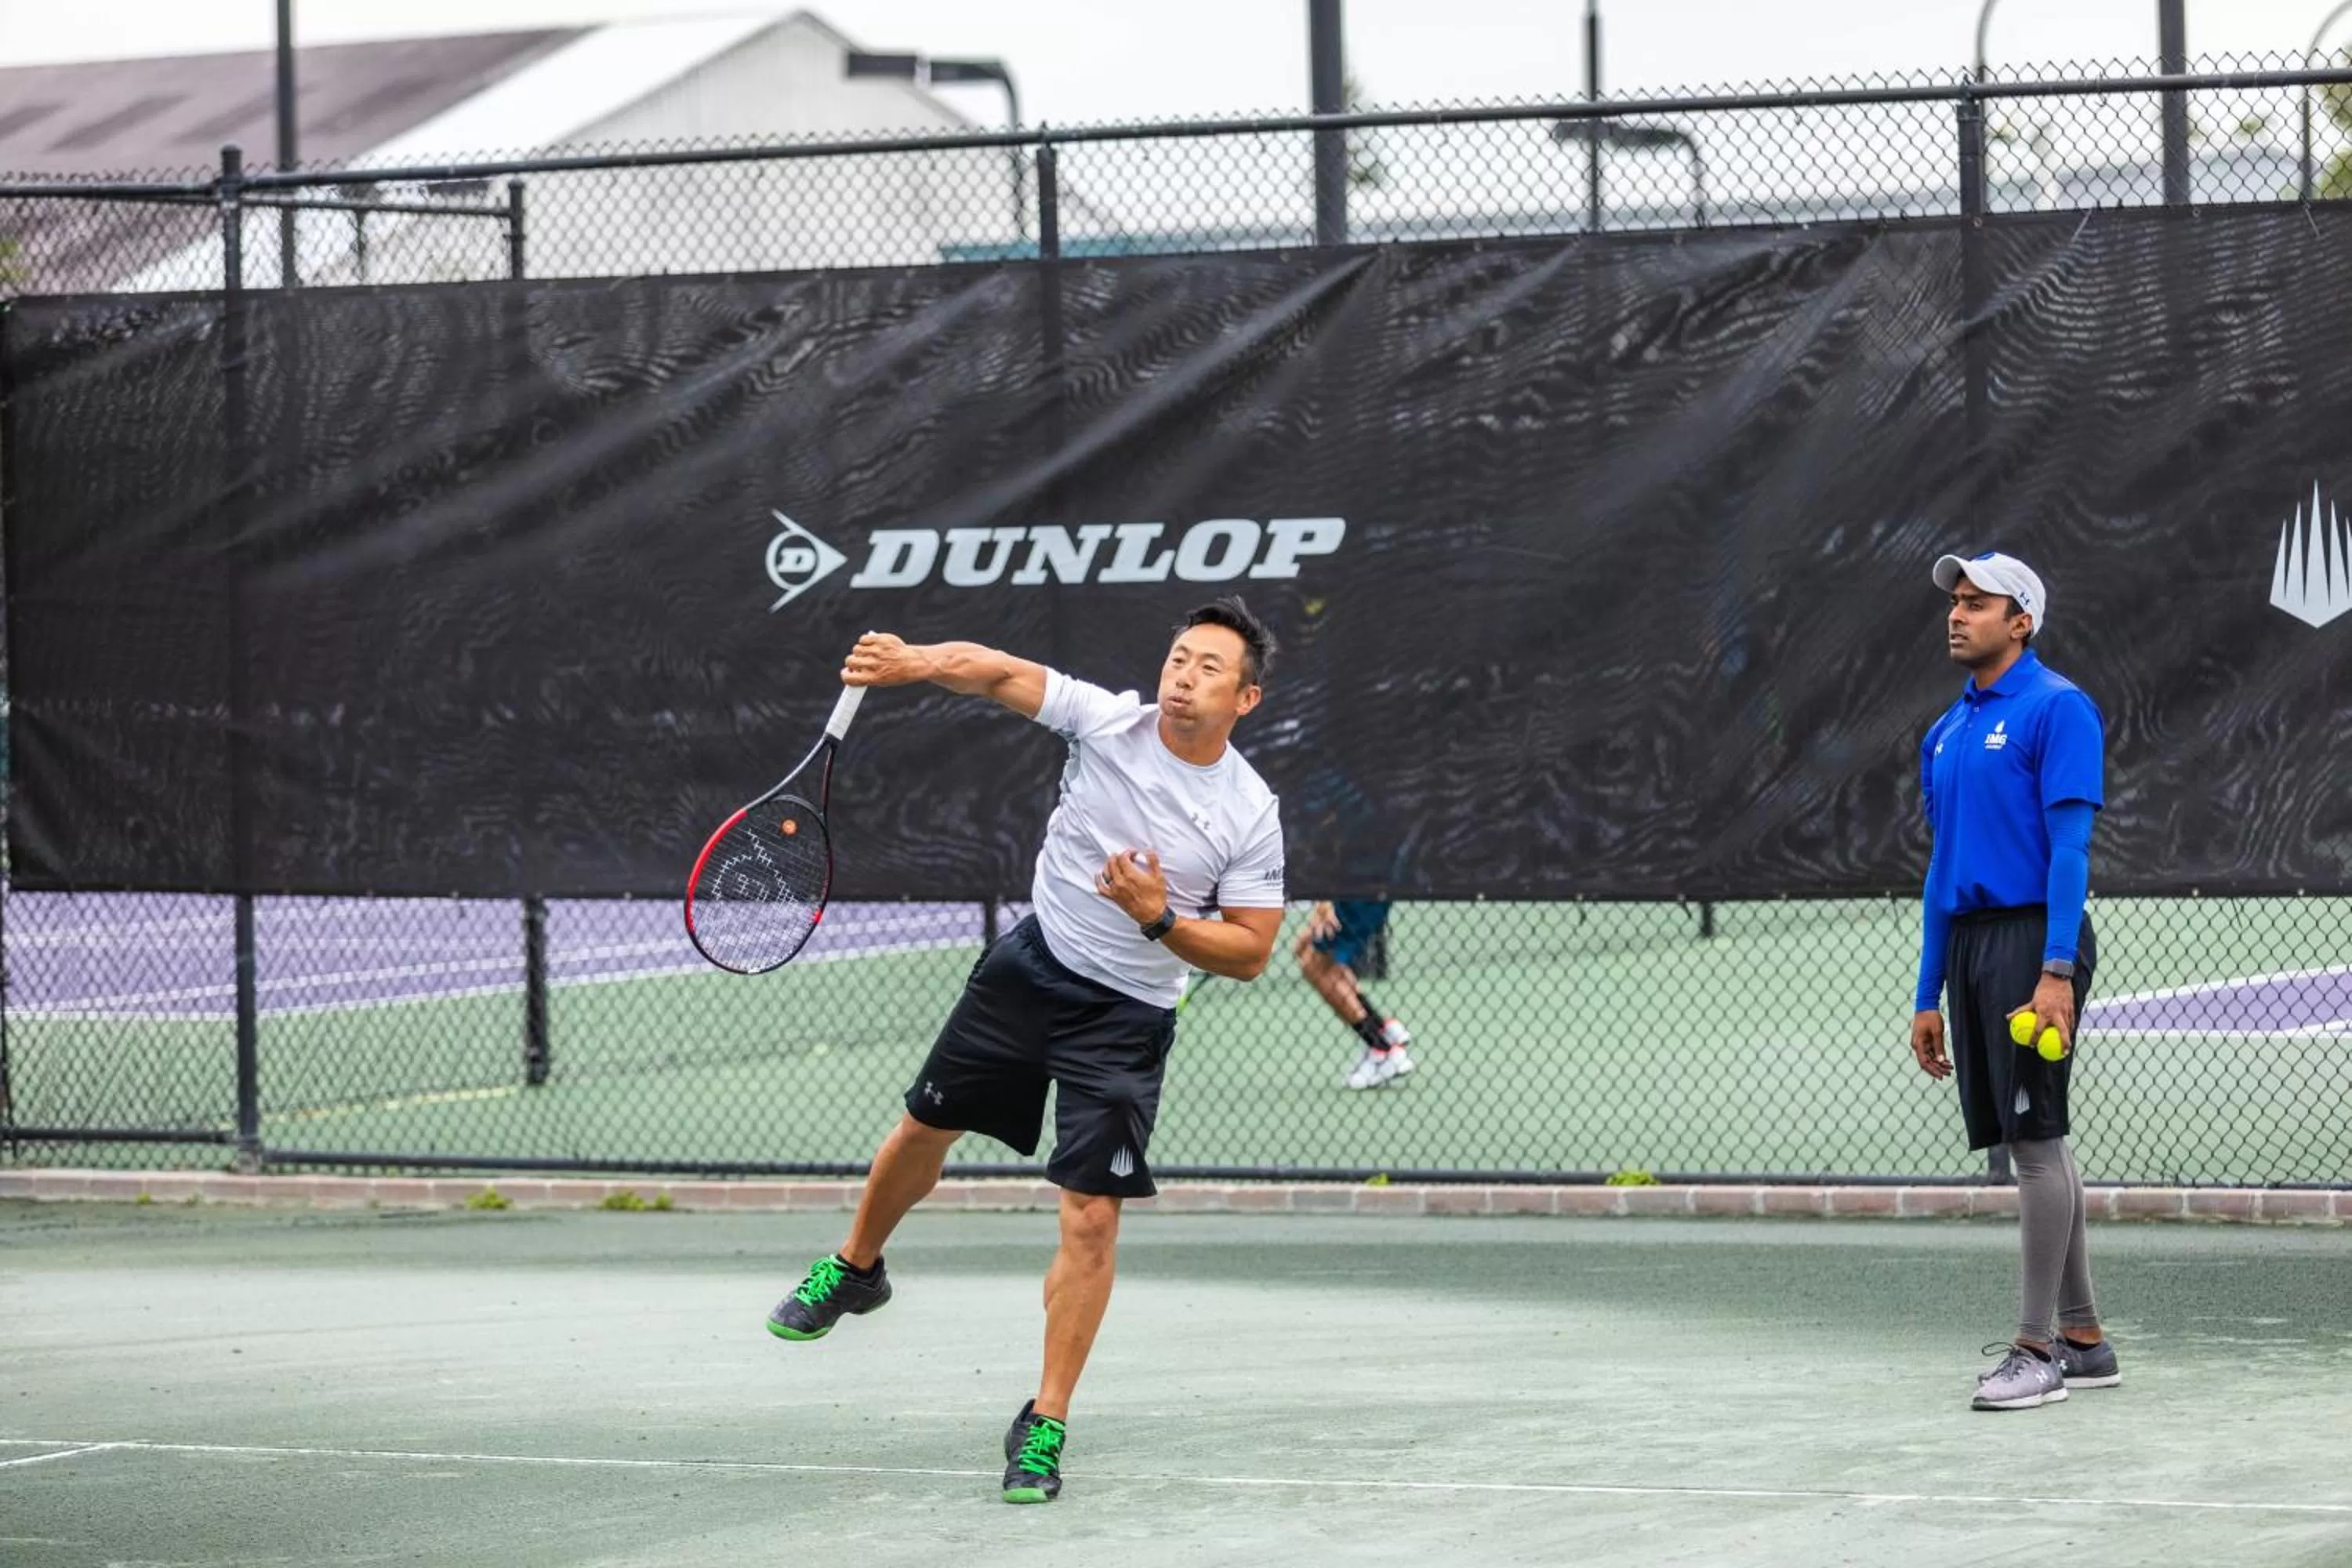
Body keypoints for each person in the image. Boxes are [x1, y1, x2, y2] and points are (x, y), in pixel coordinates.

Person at [764, 597, 1287, 1504]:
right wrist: (916, 660)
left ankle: (1043, 1421)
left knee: (1091, 1214)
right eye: (1177, 657)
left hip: (1125, 1016)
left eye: (1208, 667)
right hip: (1031, 966)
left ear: (1246, 697)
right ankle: (856, 1267)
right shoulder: (1106, 721)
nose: (1183, 675)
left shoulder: (1248, 811)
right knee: (922, 1128)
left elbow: (1251, 950)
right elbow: (999, 670)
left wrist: (1158, 916)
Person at [1909, 550, 2120, 1413]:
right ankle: (2084, 1336)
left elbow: (2070, 848)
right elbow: (1941, 866)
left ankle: (2036, 1350)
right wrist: (1928, 992)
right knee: (2040, 1136)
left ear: (2020, 619)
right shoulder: (1945, 730)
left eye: (1977, 603)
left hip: (2039, 939)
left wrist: (2057, 969)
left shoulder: (2059, 709)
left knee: (2034, 1142)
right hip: (1972, 945)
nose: (1957, 615)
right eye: (1954, 602)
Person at [1295, 899, 1414, 1088]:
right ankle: (1382, 1030)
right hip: (1359, 889)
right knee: (1303, 948)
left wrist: (1326, 900)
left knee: (1315, 966)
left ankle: (1381, 1050)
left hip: (1356, 890)